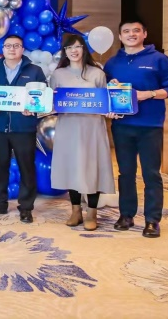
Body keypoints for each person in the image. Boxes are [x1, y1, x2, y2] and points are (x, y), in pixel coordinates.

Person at [104, 18, 168, 238]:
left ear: (144, 34)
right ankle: (126, 215)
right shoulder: (112, 63)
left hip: (150, 126)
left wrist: (149, 94)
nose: (131, 34)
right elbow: (107, 92)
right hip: (122, 125)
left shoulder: (159, 59)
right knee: (125, 173)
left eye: (136, 31)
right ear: (120, 36)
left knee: (151, 174)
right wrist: (108, 109)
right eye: (126, 31)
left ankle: (152, 220)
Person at [49, 34, 116, 231]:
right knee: (72, 167)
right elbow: (51, 103)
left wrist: (111, 109)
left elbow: (106, 101)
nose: (74, 51)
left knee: (92, 167)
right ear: (65, 51)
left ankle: (92, 213)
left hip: (92, 127)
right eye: (70, 47)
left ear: (84, 49)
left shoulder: (97, 73)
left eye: (78, 46)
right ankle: (75, 211)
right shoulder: (58, 74)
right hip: (68, 126)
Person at [0, 34, 46, 223]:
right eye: (8, 46)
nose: (12, 49)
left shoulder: (34, 71)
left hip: (24, 127)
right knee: (0, 166)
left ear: (22, 49)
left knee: (26, 167)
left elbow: (42, 98)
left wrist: (34, 108)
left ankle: (26, 207)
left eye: (16, 45)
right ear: (2, 49)